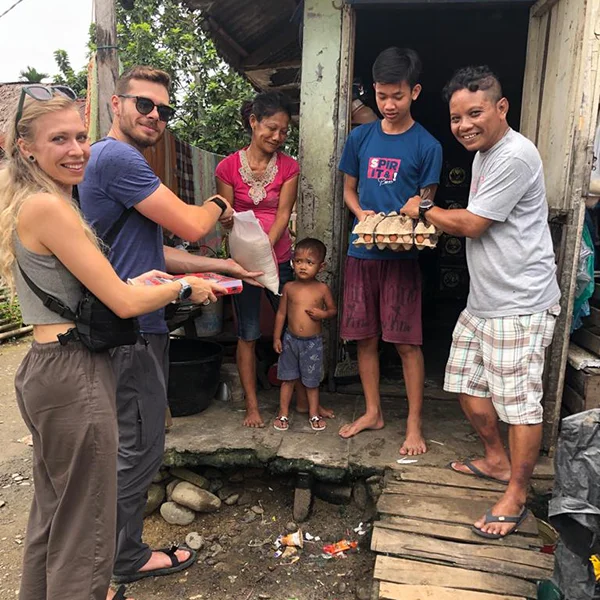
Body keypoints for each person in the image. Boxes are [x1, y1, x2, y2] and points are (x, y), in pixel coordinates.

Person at [0, 86, 220, 600]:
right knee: (88, 527)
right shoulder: (50, 208)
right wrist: (184, 286)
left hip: (48, 364)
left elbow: (99, 289)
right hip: (74, 372)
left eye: (80, 135)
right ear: (27, 146)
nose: (79, 148)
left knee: (56, 514)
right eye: (60, 139)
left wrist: (145, 283)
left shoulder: (39, 200)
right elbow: (121, 302)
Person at [77, 66, 258, 585]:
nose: (155, 116)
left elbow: (153, 249)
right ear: (116, 104)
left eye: (164, 110)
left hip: (136, 322)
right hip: (130, 327)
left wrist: (221, 267)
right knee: (141, 442)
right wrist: (222, 200)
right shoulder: (117, 158)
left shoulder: (114, 162)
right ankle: (122, 559)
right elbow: (194, 223)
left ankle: (110, 547)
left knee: (134, 438)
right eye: (144, 105)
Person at [401, 66, 561, 539]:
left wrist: (424, 209)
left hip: (520, 303)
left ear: (500, 107)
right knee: (466, 386)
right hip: (485, 300)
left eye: (475, 113)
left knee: (520, 406)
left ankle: (517, 494)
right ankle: (495, 459)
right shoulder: (483, 155)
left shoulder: (514, 155)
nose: (464, 125)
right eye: (455, 118)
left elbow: (473, 224)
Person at [338, 47, 442, 454]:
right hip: (362, 253)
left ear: (414, 91)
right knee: (365, 339)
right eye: (382, 96)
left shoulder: (427, 145)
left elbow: (426, 203)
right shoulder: (360, 136)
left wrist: (403, 226)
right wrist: (363, 213)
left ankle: (414, 424)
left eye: (397, 95)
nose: (389, 104)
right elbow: (348, 189)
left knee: (406, 343)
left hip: (402, 258)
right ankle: (372, 411)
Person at [217, 92, 334, 428]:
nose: (278, 137)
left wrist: (265, 249)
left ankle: (302, 402)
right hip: (242, 263)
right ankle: (253, 407)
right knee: (249, 333)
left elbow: (283, 214)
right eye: (272, 128)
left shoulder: (289, 167)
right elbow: (225, 215)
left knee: (298, 329)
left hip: (279, 259)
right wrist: (227, 222)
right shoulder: (227, 167)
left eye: (284, 131)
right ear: (253, 122)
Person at [273, 238, 337, 431]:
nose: (302, 266)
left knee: (311, 381)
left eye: (309, 263)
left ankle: (314, 413)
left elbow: (333, 310)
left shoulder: (322, 289)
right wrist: (277, 337)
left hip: (312, 343)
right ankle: (283, 414)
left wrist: (323, 314)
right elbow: (281, 313)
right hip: (290, 340)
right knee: (287, 379)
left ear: (321, 266)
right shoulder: (289, 288)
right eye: (298, 261)